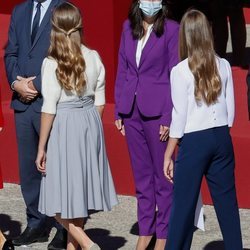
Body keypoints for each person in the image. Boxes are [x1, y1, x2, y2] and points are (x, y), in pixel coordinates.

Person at [35, 2, 118, 250]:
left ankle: (87, 243)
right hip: (90, 122)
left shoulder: (51, 63)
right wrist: (89, 124)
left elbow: (49, 108)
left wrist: (42, 147)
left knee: (53, 200)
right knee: (79, 195)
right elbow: (100, 101)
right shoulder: (93, 57)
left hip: (65, 125)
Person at [163, 9, 243, 250]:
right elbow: (230, 111)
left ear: (185, 36)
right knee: (228, 206)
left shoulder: (180, 71)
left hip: (194, 141)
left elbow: (179, 117)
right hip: (221, 137)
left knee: (183, 208)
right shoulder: (224, 64)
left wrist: (169, 152)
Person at [114, 0, 179, 249]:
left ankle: (163, 235)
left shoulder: (172, 29)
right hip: (132, 111)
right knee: (142, 179)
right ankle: (145, 231)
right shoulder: (127, 27)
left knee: (163, 178)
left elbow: (175, 73)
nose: (150, 3)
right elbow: (123, 68)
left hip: (158, 112)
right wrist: (120, 108)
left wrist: (168, 116)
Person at [4, 0, 67, 248]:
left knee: (56, 168)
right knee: (29, 169)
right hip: (22, 103)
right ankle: (36, 223)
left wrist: (35, 85)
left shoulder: (64, 8)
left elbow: (67, 55)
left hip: (50, 103)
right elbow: (11, 52)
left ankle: (64, 227)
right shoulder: (20, 11)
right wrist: (16, 84)